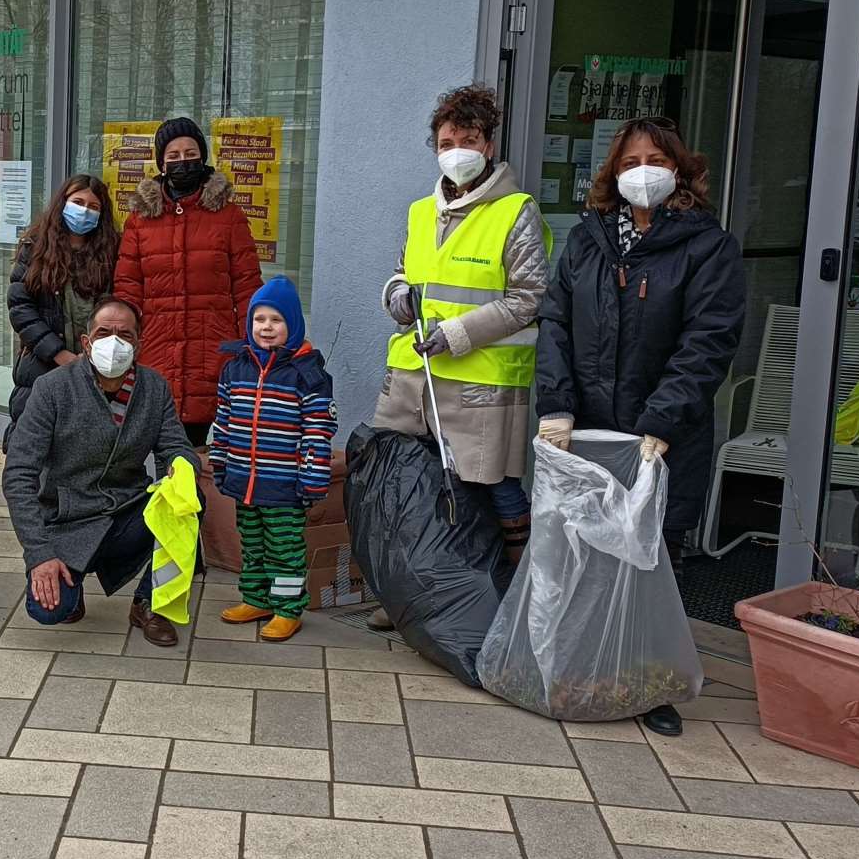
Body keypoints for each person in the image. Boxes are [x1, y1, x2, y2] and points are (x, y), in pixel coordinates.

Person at [535, 114, 746, 739]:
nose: (641, 173)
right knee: (585, 554)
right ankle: (582, 669)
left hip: (663, 434)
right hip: (591, 431)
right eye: (629, 163)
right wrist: (557, 405)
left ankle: (653, 683)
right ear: (612, 173)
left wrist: (663, 419)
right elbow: (556, 324)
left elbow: (708, 341)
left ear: (679, 168)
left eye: (654, 159)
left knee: (656, 558)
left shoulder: (707, 246)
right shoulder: (587, 239)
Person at [370, 85, 550, 630]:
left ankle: (515, 601)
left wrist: (458, 334)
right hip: (413, 376)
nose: (457, 150)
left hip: (479, 378)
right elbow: (404, 272)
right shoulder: (421, 211)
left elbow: (529, 298)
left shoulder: (516, 212)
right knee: (408, 488)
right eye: (447, 141)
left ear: (488, 145)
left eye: (468, 140)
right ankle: (406, 596)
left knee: (493, 487)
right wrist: (396, 296)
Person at [4, 297, 196, 647]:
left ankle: (151, 603)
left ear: (139, 342)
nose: (114, 341)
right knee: (50, 611)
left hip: (127, 511)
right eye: (104, 332)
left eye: (125, 334)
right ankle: (71, 588)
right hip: (67, 519)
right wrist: (39, 554)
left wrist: (180, 470)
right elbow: (18, 474)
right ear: (86, 341)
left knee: (187, 502)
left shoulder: (154, 387)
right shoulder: (53, 388)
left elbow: (175, 446)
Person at [115, 116, 263, 445]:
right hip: (156, 352)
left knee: (204, 457)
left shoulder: (229, 216)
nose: (183, 161)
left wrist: (250, 348)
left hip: (212, 353)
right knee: (157, 448)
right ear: (162, 163)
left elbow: (247, 288)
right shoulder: (140, 221)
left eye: (190, 153)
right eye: (173, 155)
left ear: (203, 157)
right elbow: (127, 290)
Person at [212, 277, 337, 642]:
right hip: (244, 480)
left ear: (293, 325)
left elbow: (318, 430)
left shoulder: (307, 374)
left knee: (284, 550)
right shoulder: (235, 368)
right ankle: (256, 598)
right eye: (259, 320)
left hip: (284, 485)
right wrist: (220, 462)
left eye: (276, 321)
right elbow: (224, 420)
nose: (266, 328)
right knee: (251, 544)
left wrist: (312, 477)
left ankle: (287, 608)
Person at [6, 173, 121, 443]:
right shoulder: (34, 247)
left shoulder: (111, 252)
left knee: (86, 443)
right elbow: (20, 307)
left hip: (97, 366)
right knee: (34, 442)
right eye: (78, 202)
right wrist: (58, 354)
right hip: (42, 364)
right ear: (63, 203)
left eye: (93, 207)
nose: (84, 211)